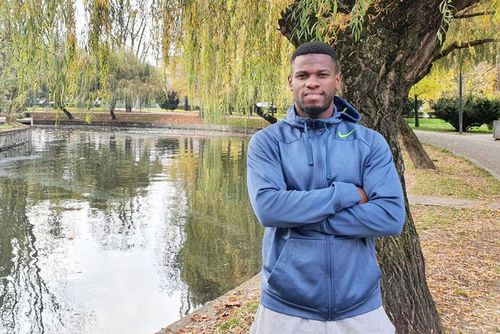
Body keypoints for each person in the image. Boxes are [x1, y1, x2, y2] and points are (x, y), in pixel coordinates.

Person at [246, 41, 405, 334]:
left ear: (337, 80)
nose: (312, 83)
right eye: (303, 75)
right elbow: (269, 209)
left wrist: (298, 217)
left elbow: (390, 216)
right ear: (290, 82)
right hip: (285, 307)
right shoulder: (267, 143)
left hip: (360, 306)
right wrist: (347, 194)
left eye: (322, 74)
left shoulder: (370, 143)